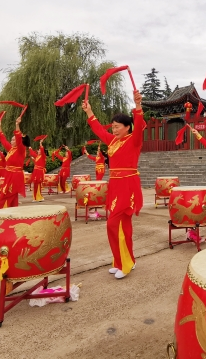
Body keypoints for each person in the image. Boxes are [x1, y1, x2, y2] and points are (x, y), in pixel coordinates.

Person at [81, 90, 144, 279]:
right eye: (113, 127)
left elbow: (139, 125)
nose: (114, 130)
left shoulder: (134, 140)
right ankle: (123, 261)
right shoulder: (112, 142)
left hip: (128, 184)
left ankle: (125, 263)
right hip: (115, 185)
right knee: (123, 226)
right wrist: (89, 113)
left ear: (127, 127)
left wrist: (138, 106)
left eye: (117, 127)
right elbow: (99, 130)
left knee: (113, 223)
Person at [0, 116, 29, 209]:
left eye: (13, 139)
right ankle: (12, 212)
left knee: (5, 194)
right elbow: (3, 140)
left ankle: (3, 212)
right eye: (11, 139)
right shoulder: (11, 150)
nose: (12, 141)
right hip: (9, 174)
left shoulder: (21, 150)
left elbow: (19, 139)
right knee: (11, 196)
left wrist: (17, 125)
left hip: (15, 175)